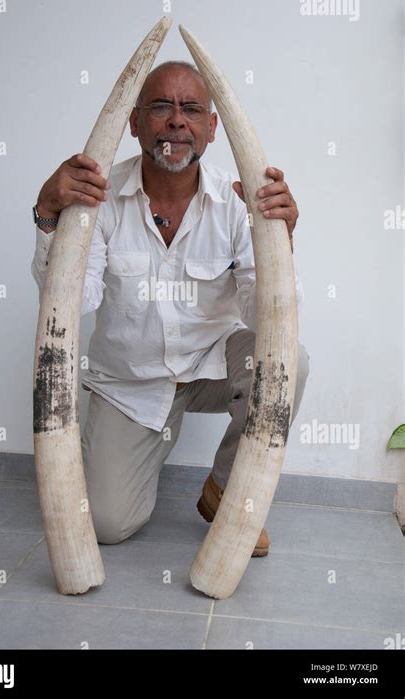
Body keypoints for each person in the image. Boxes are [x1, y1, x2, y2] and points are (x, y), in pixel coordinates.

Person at [31, 60, 310, 555]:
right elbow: (75, 303)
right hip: (131, 383)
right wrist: (48, 217)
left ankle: (225, 493)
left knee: (292, 362)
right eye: (161, 106)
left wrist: (278, 243)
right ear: (135, 123)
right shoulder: (99, 198)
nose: (177, 120)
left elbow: (264, 316)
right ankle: (113, 451)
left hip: (211, 367)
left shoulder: (237, 202)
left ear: (211, 128)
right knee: (106, 525)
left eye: (191, 109)